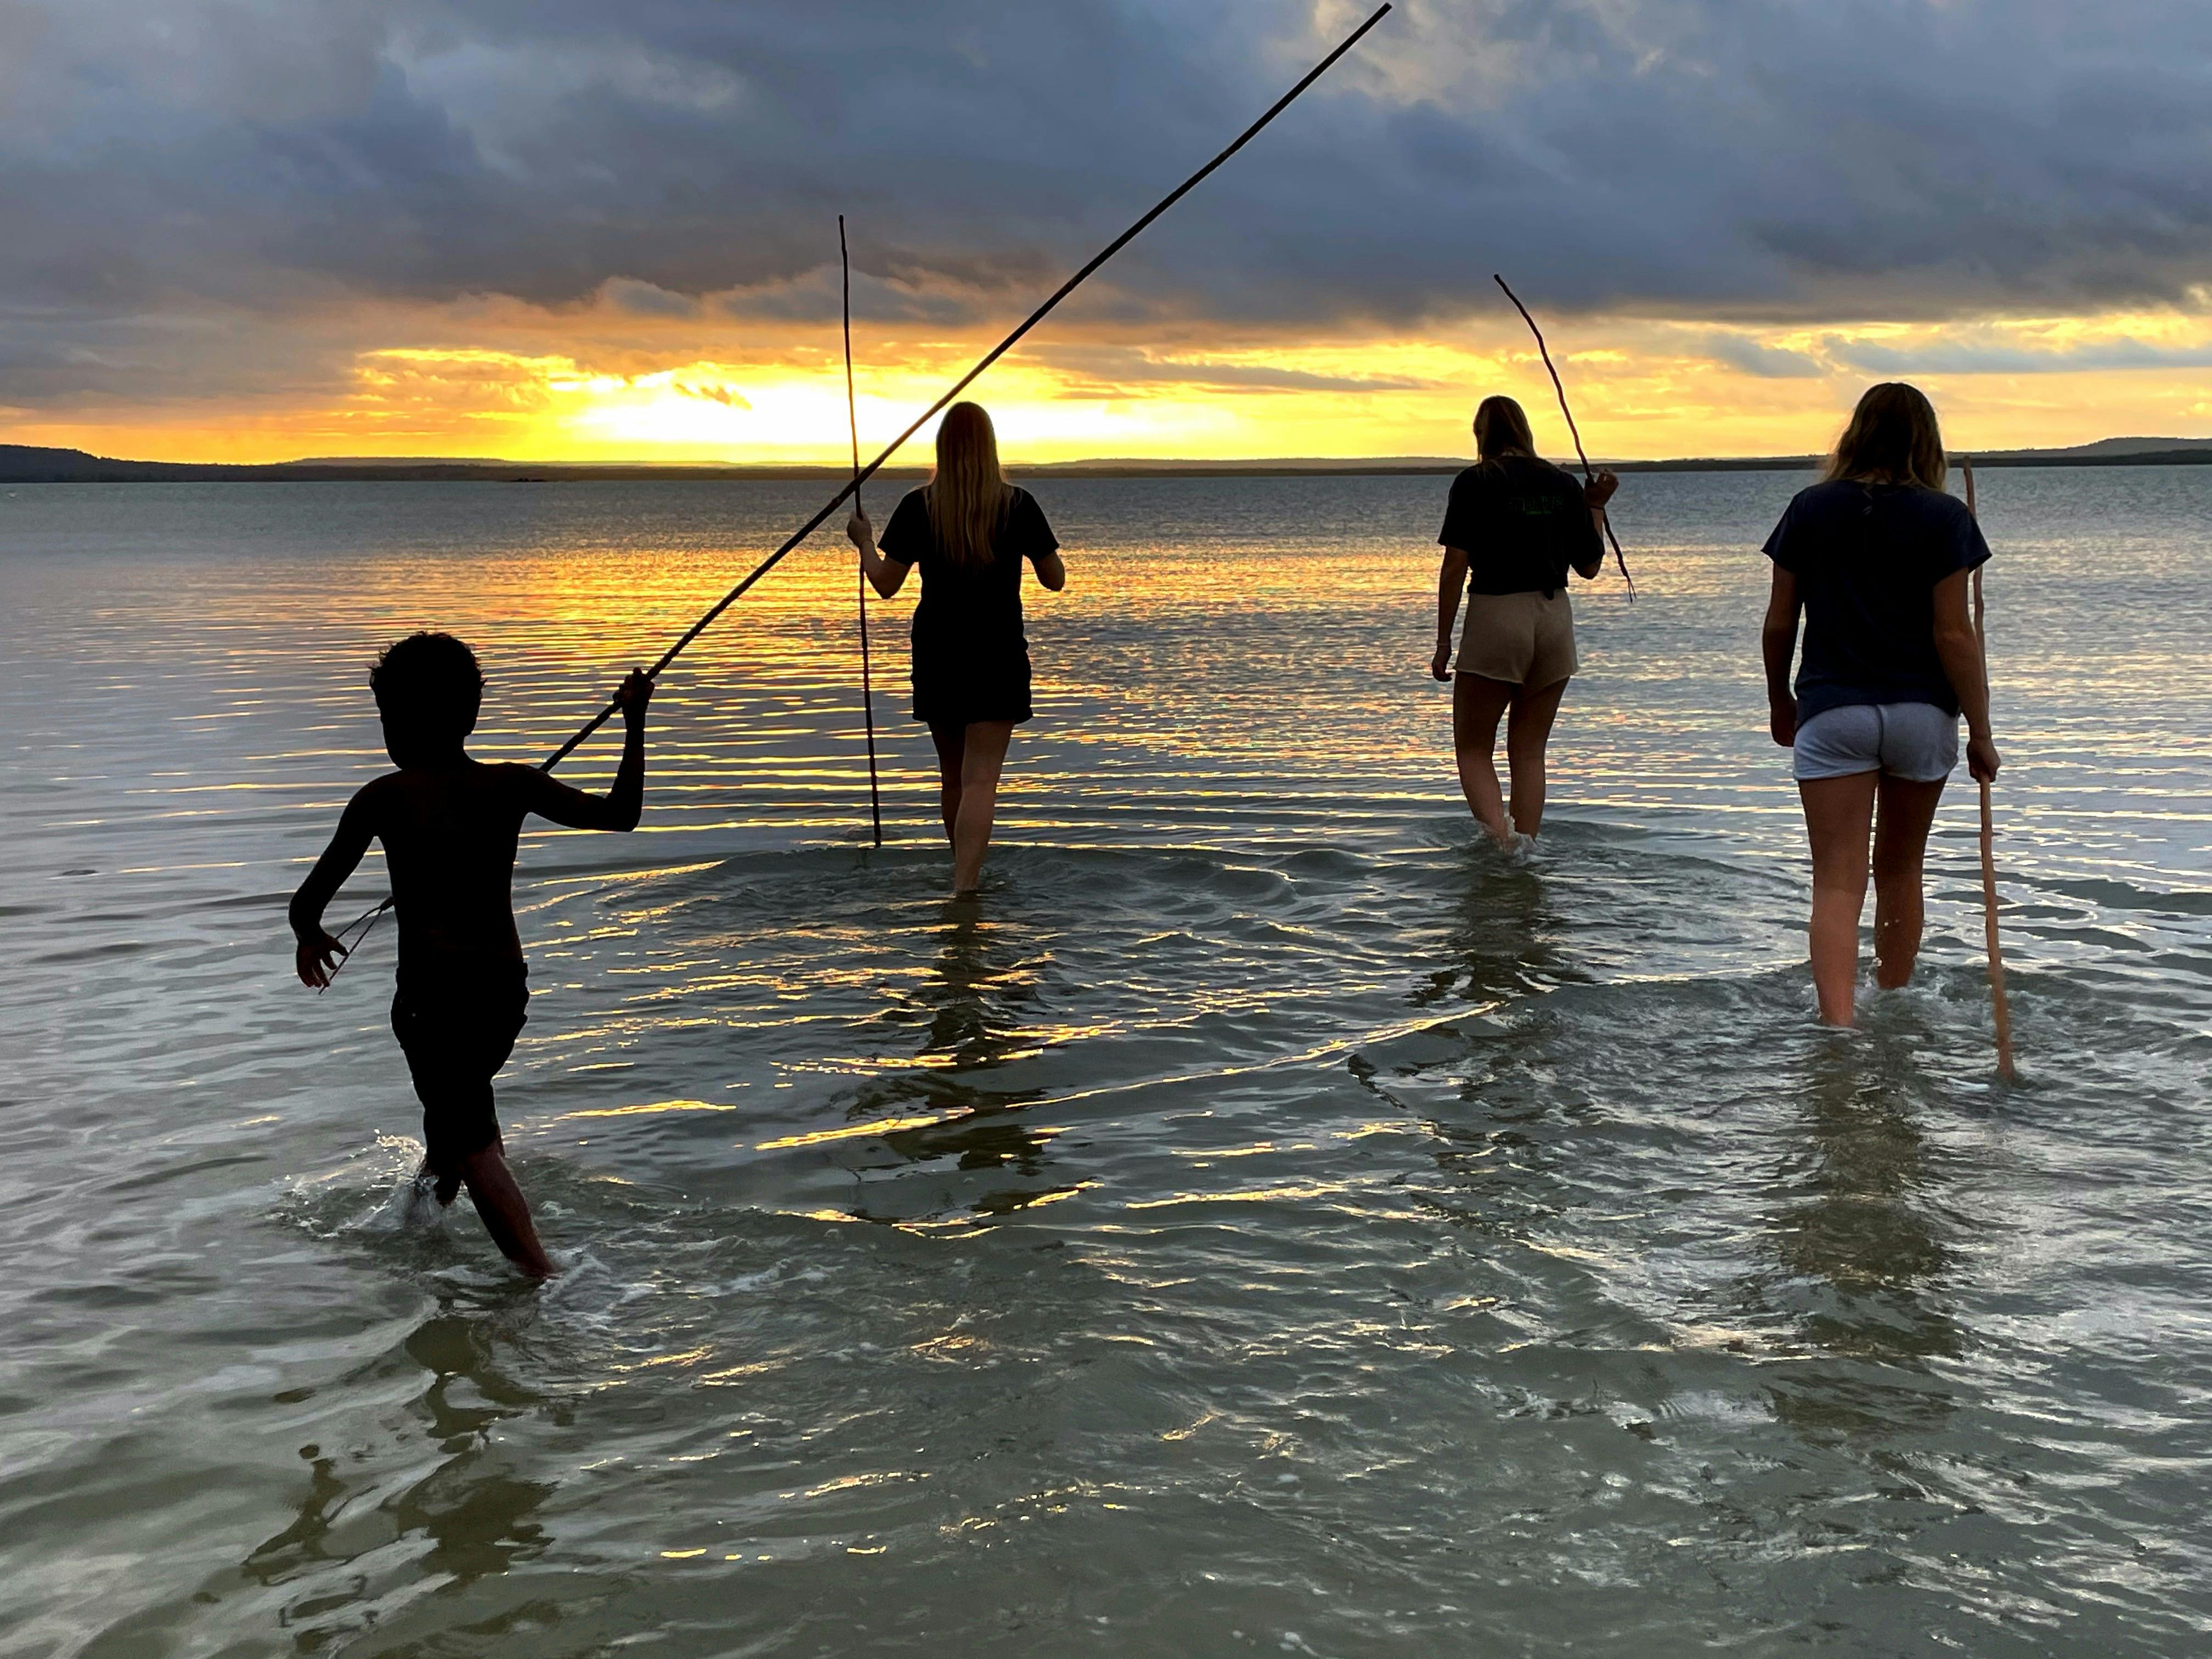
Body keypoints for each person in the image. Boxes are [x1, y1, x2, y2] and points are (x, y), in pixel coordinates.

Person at [289, 632, 652, 1278]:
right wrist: (633, 720)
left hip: (433, 1001)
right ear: (473, 713)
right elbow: (623, 815)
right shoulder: (512, 786)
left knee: (472, 1140)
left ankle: (542, 1278)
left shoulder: (384, 797)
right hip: (503, 995)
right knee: (454, 1122)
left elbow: (308, 902)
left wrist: (311, 938)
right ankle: (421, 1235)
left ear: (394, 723)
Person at [1760, 382, 2001, 1026]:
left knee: (1838, 881)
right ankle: (1892, 1003)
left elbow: (1781, 622)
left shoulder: (1809, 508)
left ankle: (1838, 1026)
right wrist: (1981, 730)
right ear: (1927, 441)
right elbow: (1954, 634)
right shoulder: (1946, 518)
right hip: (1922, 713)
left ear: (1856, 434)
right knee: (1900, 871)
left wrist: (1780, 699)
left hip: (1833, 709)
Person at [847, 402, 1067, 895]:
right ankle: (965, 888)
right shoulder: (1018, 505)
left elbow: (885, 584)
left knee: (953, 781)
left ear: (943, 449)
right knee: (981, 782)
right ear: (990, 449)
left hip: (938, 657)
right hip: (997, 656)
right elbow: (1055, 580)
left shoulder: (918, 506)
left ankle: (961, 877)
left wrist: (863, 542)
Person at [1429, 395, 1618, 845]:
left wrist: (1443, 642)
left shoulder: (1475, 481)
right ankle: (1527, 849)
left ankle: (1501, 846)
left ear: (1482, 435)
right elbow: (1590, 567)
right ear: (1525, 431)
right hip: (1554, 618)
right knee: (1529, 752)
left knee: (1474, 749)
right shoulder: (1563, 483)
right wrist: (1596, 506)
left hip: (1498, 612)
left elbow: (1456, 563)